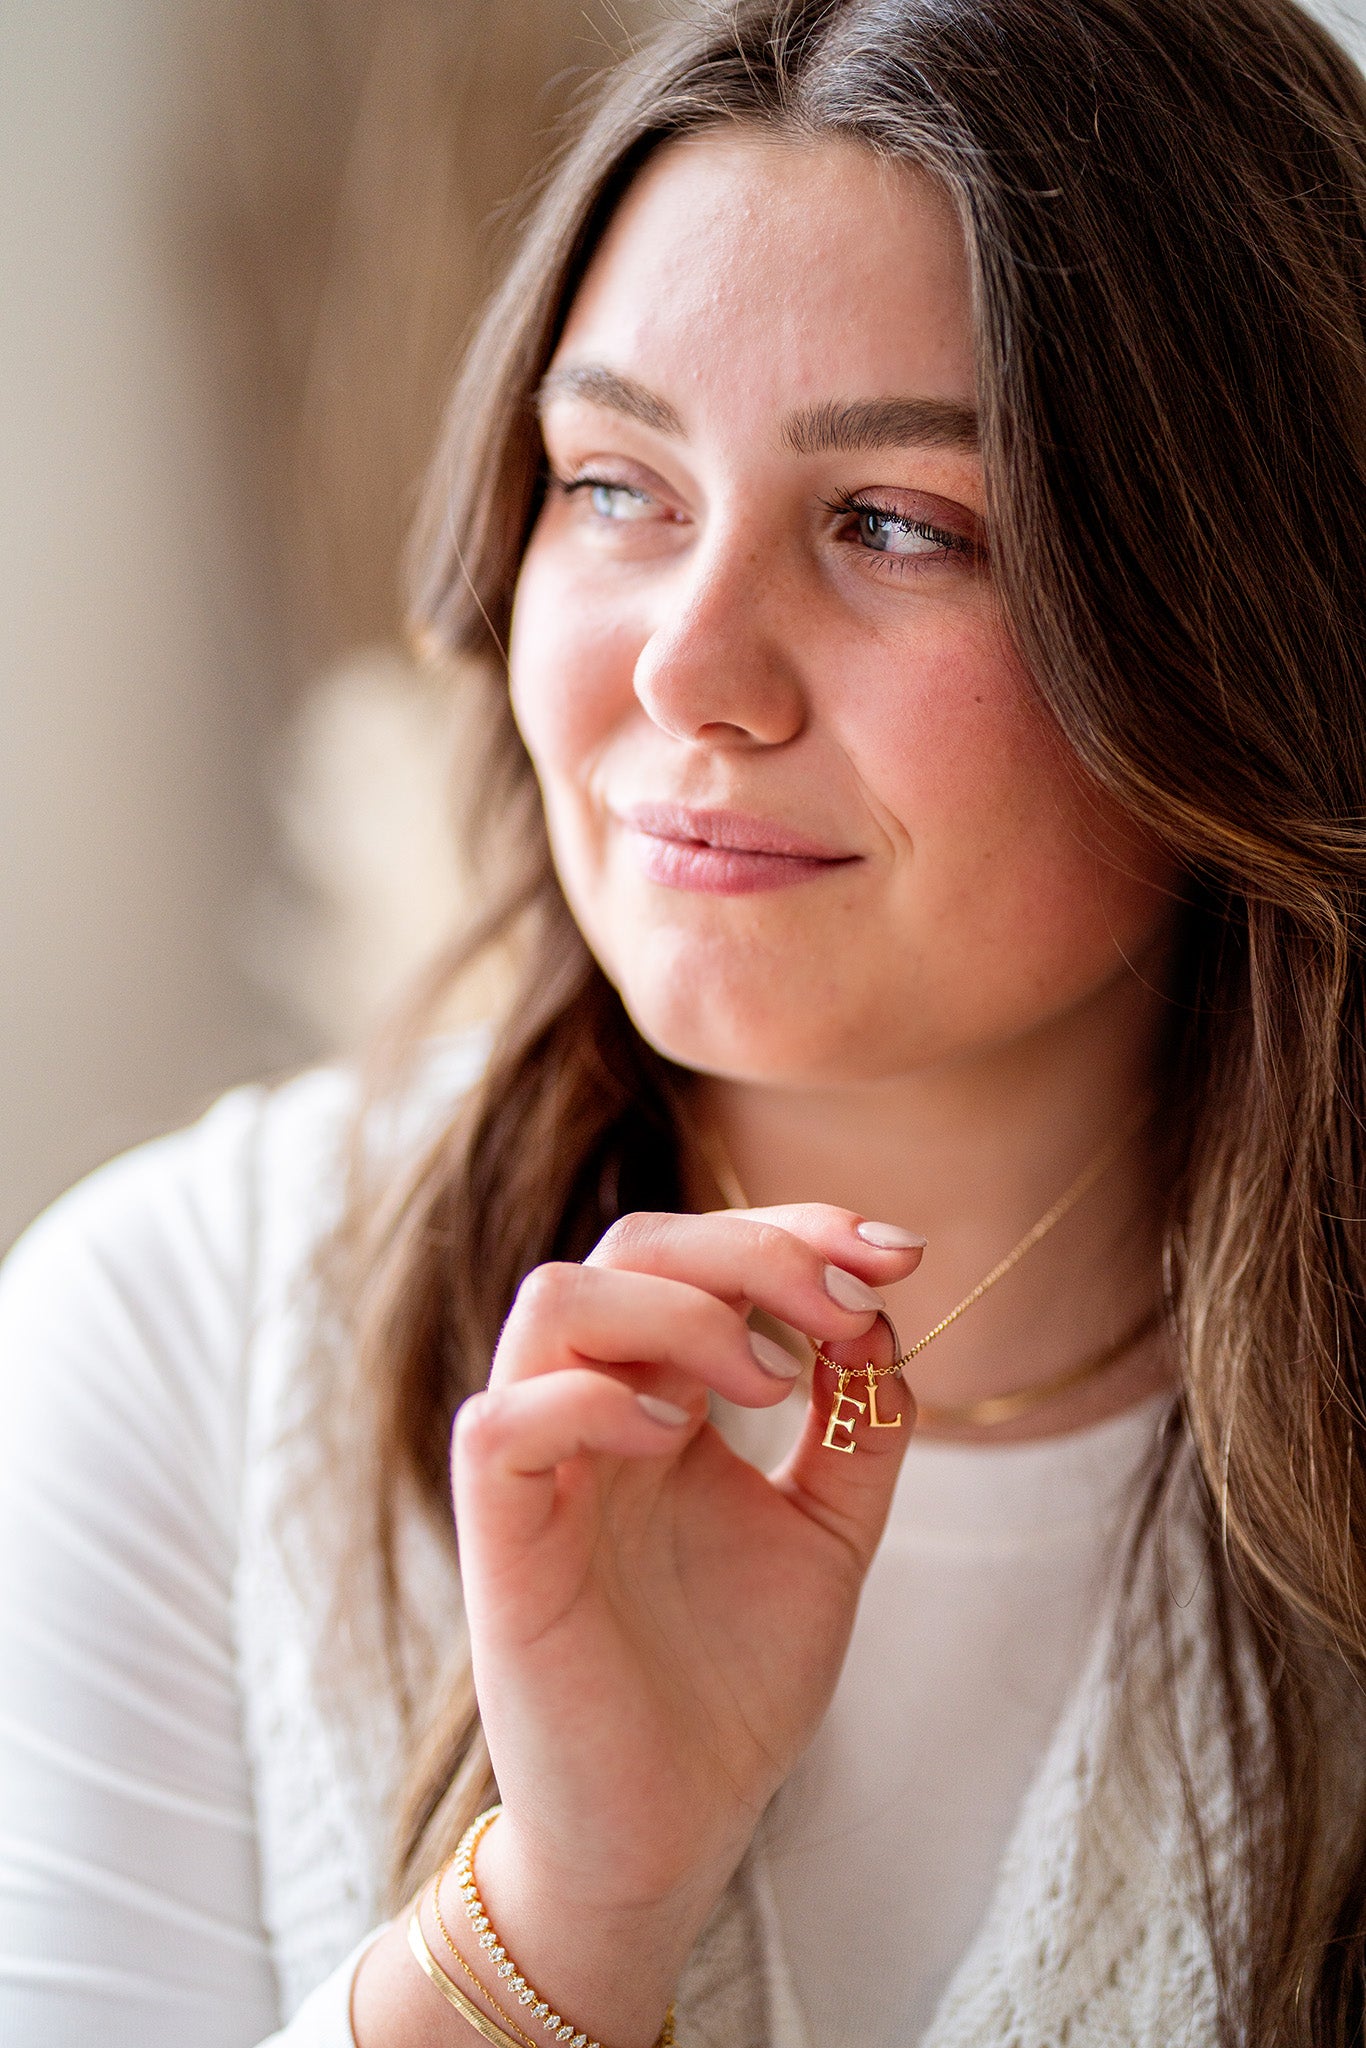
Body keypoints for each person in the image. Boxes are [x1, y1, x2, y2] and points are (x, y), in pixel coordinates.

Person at [4, 0, 1366, 2041]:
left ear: (1240, 612)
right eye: (614, 484)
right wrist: (561, 1918)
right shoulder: (185, 1335)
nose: (687, 669)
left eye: (894, 522)